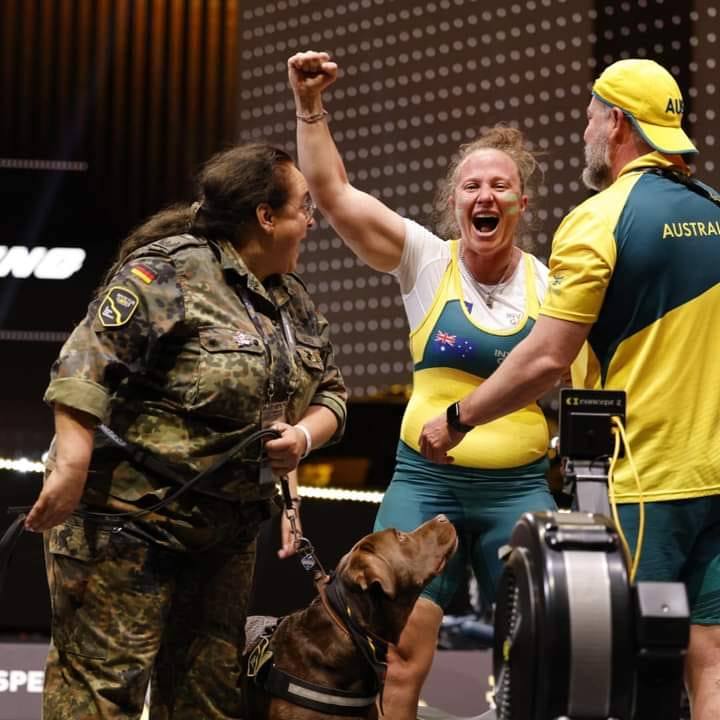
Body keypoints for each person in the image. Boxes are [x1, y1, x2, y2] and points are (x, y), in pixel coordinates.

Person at [420, 58, 720, 720]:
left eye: (589, 119)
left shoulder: (598, 219)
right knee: (713, 661)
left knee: (622, 670)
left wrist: (459, 417)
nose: (584, 131)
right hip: (716, 478)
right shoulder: (715, 211)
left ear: (617, 124)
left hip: (646, 479)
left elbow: (545, 358)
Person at [24, 143, 347, 719]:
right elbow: (84, 363)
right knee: (101, 696)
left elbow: (331, 393)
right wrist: (70, 467)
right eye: (303, 206)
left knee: (208, 701)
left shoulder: (291, 299)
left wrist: (302, 439)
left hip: (225, 536)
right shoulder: (169, 271)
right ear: (265, 216)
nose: (312, 220)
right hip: (128, 524)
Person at [289, 50, 562, 719]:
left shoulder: (552, 285)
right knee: (401, 656)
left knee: (540, 652)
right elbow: (333, 193)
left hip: (519, 489)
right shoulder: (425, 261)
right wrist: (309, 107)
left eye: (500, 186)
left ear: (521, 202)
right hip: (425, 483)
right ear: (453, 203)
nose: (485, 196)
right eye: (471, 187)